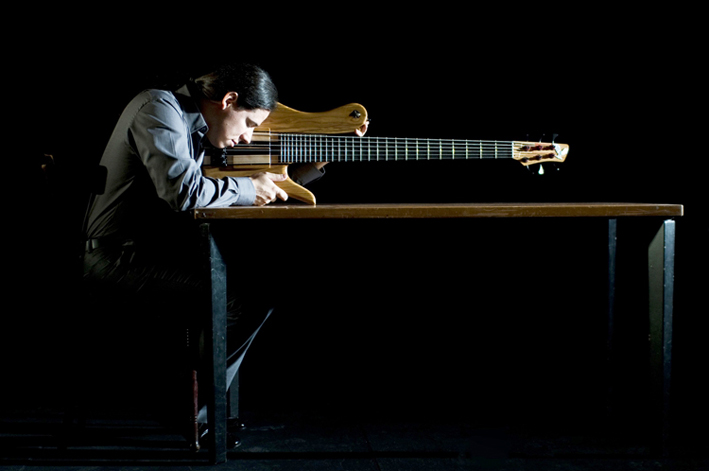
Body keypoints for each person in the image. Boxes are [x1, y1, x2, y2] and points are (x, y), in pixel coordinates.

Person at [82, 62, 364, 447]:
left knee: (257, 289)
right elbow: (184, 192)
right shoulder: (158, 108)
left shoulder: (197, 129)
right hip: (114, 259)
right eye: (249, 123)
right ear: (228, 100)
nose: (248, 137)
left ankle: (199, 407)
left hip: (152, 253)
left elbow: (254, 186)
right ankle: (193, 410)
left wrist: (315, 163)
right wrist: (249, 188)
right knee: (243, 300)